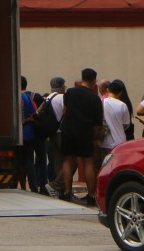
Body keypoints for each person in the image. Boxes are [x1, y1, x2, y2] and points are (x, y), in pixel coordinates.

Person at [58, 68, 103, 206]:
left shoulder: (70, 92)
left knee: (67, 161)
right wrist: (96, 137)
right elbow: (97, 123)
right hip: (85, 131)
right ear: (94, 80)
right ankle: (91, 195)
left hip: (68, 130)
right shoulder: (94, 98)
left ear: (82, 78)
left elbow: (65, 110)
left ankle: (66, 192)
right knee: (88, 163)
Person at [18, 75, 45, 194]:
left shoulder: (13, 96)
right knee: (29, 159)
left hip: (17, 133)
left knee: (20, 161)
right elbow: (33, 113)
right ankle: (33, 186)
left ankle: (23, 186)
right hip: (28, 132)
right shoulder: (25, 96)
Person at [42, 76, 66, 198]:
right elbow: (66, 112)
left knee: (57, 160)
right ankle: (56, 185)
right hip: (61, 132)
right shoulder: (62, 97)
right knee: (69, 161)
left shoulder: (48, 98)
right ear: (61, 87)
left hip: (51, 132)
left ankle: (59, 189)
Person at [100, 80, 131, 164]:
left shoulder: (101, 103)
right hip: (120, 141)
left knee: (105, 165)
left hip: (105, 142)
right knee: (118, 165)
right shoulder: (123, 105)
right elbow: (125, 124)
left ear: (108, 90)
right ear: (120, 93)